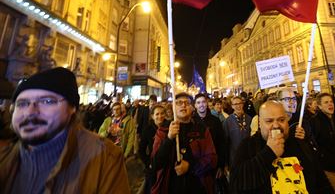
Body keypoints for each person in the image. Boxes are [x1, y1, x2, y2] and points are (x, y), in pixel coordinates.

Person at [0, 67, 129, 193]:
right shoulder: (4, 154)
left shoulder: (105, 158)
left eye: (47, 101)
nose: (29, 112)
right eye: (22, 103)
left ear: (72, 107)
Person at [230, 101, 333, 194]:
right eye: (269, 121)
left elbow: (321, 180)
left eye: (281, 120)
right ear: (260, 123)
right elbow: (237, 182)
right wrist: (269, 153)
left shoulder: (299, 143)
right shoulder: (248, 146)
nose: (276, 125)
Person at [151, 93, 217, 193]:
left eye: (187, 103)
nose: (183, 105)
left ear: (192, 107)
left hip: (197, 187)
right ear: (173, 107)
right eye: (179, 103)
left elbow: (212, 159)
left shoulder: (201, 130)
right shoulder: (163, 131)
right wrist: (169, 138)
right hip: (170, 187)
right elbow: (156, 163)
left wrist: (190, 166)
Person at [193, 93, 227, 187]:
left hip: (213, 164)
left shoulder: (215, 121)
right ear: (195, 105)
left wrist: (221, 165)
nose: (201, 105)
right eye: (198, 102)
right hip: (197, 165)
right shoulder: (191, 121)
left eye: (203, 102)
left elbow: (221, 143)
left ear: (207, 103)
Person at [223, 96, 251, 168]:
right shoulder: (227, 121)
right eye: (235, 104)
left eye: (240, 103)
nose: (238, 106)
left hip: (248, 156)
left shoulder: (249, 119)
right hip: (234, 157)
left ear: (243, 104)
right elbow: (225, 142)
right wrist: (226, 162)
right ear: (232, 106)